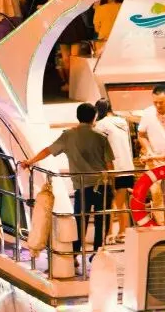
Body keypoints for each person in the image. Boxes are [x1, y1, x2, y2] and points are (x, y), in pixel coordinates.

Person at [18, 102, 113, 260]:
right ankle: (98, 254)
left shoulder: (68, 135)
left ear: (77, 117)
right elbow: (109, 165)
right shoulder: (101, 137)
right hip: (103, 186)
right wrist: (112, 187)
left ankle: (74, 255)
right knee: (101, 222)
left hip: (82, 186)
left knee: (80, 221)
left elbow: (48, 150)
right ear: (94, 117)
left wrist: (30, 161)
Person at [94, 98, 135, 244]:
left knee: (109, 203)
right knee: (121, 202)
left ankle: (109, 234)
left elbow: (100, 148)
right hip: (127, 166)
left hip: (112, 168)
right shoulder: (123, 122)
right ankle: (123, 232)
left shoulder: (101, 125)